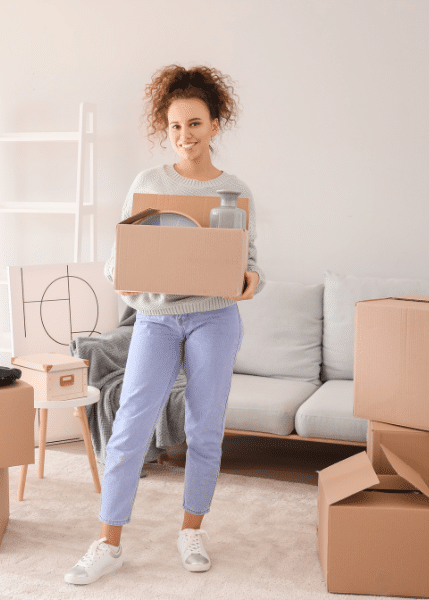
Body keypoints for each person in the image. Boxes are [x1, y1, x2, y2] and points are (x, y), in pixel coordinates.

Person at [64, 64, 265, 586]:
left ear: (216, 125)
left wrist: (250, 281)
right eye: (175, 126)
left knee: (204, 427)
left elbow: (252, 265)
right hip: (155, 318)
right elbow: (118, 261)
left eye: (195, 124)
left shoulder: (235, 191)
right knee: (130, 424)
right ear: (166, 128)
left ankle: (191, 529)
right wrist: (123, 279)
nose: (184, 136)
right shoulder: (149, 184)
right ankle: (109, 543)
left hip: (215, 317)